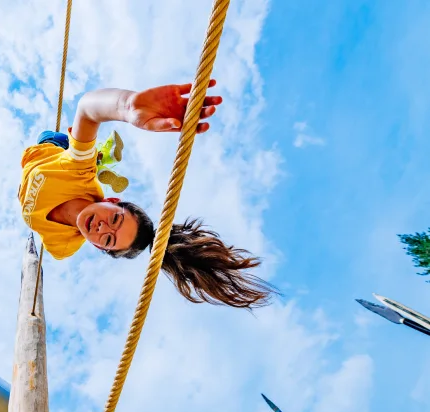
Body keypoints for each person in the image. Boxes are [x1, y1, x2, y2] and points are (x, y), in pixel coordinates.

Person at [19, 80, 276, 308]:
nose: (102, 227)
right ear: (112, 201)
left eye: (108, 240)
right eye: (115, 220)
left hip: (30, 178)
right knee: (62, 141)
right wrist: (127, 105)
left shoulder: (61, 246)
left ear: (97, 246)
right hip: (49, 150)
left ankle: (102, 160)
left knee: (86, 153)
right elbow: (88, 109)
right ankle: (98, 158)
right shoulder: (77, 170)